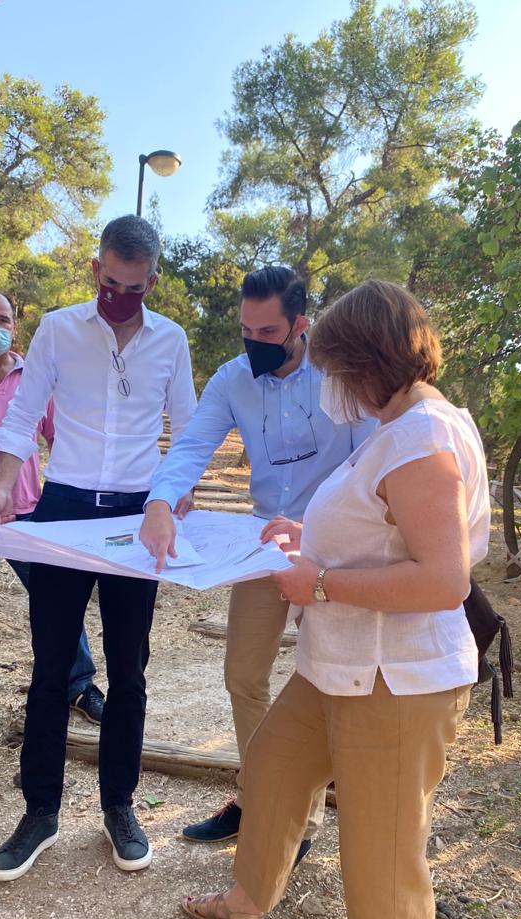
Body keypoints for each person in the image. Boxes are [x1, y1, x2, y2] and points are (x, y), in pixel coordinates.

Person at [180, 280, 491, 919]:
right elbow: (380, 534)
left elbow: (443, 579)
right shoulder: (400, 426)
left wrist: (318, 583)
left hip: (395, 684)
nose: (330, 386)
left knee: (381, 866)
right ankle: (248, 899)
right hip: (338, 670)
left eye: (336, 370)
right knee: (273, 767)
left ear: (366, 362)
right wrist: (306, 538)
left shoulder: (422, 438)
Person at [0, 215, 196, 881]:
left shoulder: (170, 340)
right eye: (111, 283)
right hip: (66, 508)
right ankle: (40, 812)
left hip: (136, 517)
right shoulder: (58, 329)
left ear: (151, 281)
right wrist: (2, 484)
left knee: (129, 669)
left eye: (134, 288)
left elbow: (188, 427)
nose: (120, 297)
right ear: (95, 269)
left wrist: (176, 492)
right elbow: (23, 414)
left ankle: (119, 806)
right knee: (51, 668)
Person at [140, 266, 375, 857]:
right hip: (264, 544)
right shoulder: (232, 379)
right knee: (244, 676)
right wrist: (161, 502)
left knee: (324, 683)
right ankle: (257, 797)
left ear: (301, 325)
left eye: (267, 332)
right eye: (246, 331)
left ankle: (301, 822)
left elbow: (370, 463)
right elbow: (191, 446)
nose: (254, 343)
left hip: (337, 546)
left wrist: (319, 530)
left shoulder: (342, 376)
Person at [0, 290, 101, 740]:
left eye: (3, 319)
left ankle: (79, 684)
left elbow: (60, 438)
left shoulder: (37, 378)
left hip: (28, 511)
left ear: (16, 327)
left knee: (57, 602)